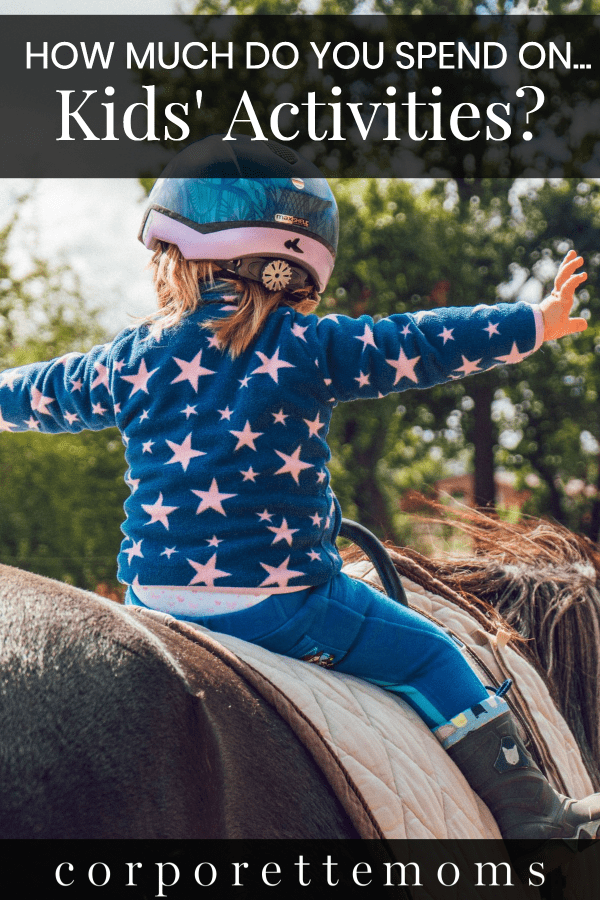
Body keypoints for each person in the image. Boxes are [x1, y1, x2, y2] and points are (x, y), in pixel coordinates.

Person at [0, 135, 598, 839]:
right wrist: (534, 322)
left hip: (154, 601)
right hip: (283, 606)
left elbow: (37, 391)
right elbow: (419, 344)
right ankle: (537, 818)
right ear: (295, 265)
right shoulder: (309, 346)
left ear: (173, 260)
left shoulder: (129, 359)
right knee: (434, 654)